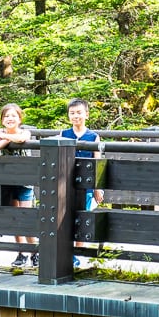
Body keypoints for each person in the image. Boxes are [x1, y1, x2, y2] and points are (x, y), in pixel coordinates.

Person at [0, 102, 38, 269]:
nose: (10, 119)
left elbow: (22, 138)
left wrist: (6, 138)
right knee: (15, 218)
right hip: (8, 181)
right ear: (2, 120)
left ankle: (34, 251)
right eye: (6, 116)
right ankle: (21, 252)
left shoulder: (26, 131)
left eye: (13, 116)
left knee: (26, 218)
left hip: (25, 182)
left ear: (19, 118)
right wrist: (4, 137)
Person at [60, 98, 104, 267]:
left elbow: (97, 162)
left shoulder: (93, 136)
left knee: (83, 216)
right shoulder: (64, 134)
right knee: (67, 218)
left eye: (79, 113)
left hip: (85, 185)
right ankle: (68, 252)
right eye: (72, 113)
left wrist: (97, 188)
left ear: (86, 114)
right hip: (67, 184)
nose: (75, 116)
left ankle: (78, 252)